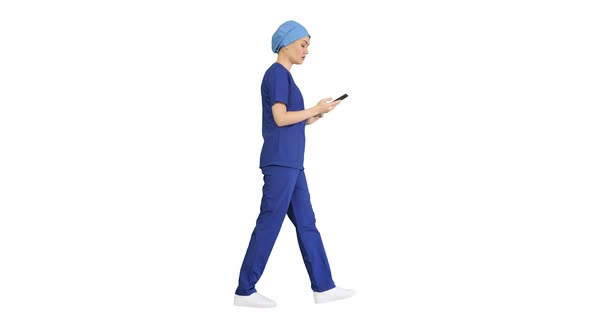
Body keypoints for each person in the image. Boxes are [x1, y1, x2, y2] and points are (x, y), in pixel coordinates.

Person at [233, 20, 355, 308]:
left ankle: (324, 287)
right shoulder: (276, 75)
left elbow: (289, 120)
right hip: (280, 163)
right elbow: (279, 118)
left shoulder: (286, 79)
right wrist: (313, 108)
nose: (306, 51)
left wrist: (313, 116)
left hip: (292, 163)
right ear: (286, 44)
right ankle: (244, 290)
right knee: (270, 222)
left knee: (307, 223)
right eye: (303, 44)